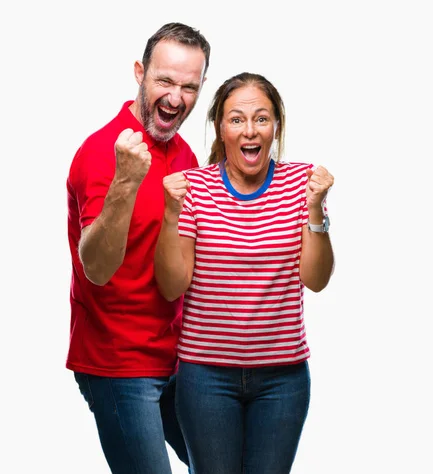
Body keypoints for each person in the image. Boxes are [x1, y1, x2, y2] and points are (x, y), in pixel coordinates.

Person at [154, 72, 335, 473]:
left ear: (276, 127)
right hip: (205, 378)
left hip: (283, 380)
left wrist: (315, 210)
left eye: (261, 118)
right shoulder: (194, 189)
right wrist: (170, 215)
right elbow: (172, 285)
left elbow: (316, 280)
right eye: (236, 119)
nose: (249, 130)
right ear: (220, 127)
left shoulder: (301, 184)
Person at [66, 22, 211, 474]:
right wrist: (126, 180)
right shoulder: (101, 152)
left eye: (188, 86)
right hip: (118, 364)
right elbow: (97, 267)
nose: (175, 97)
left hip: (178, 359)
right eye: (165, 81)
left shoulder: (185, 155)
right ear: (139, 73)